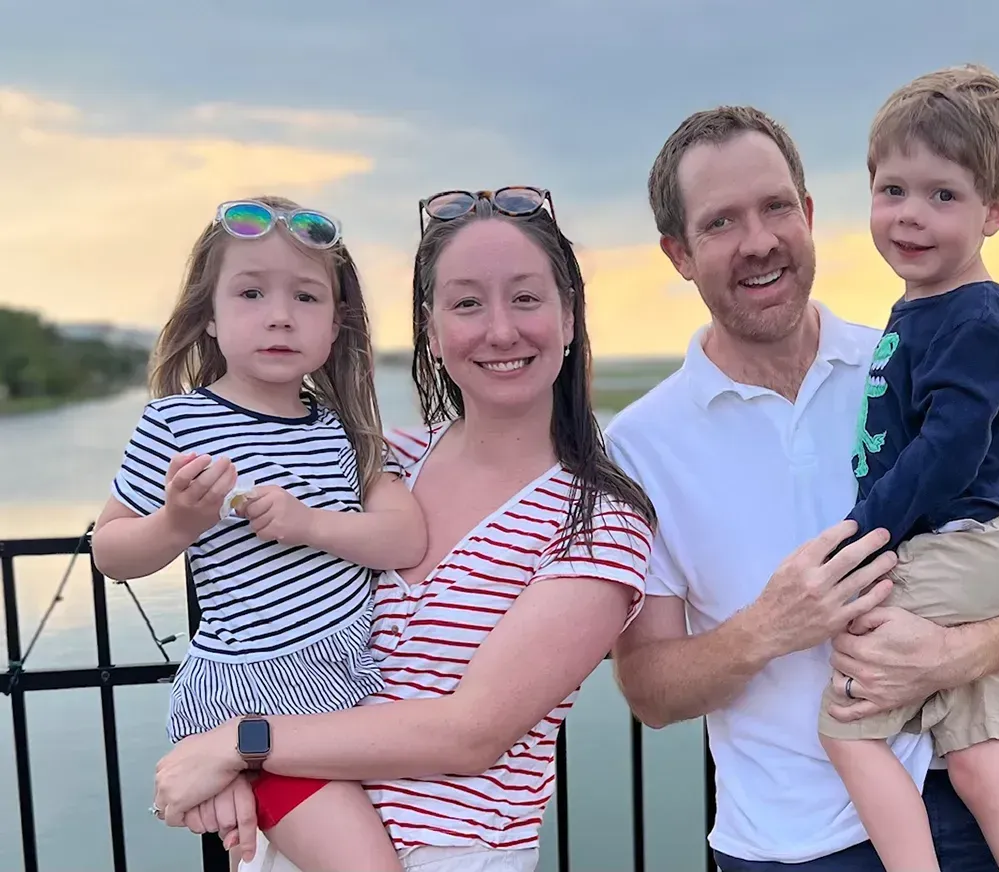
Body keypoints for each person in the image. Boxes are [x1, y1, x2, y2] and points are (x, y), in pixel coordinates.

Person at [605, 105, 999, 870]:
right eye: (721, 223)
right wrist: (769, 626)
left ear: (808, 214)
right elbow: (649, 688)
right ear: (677, 253)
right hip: (793, 842)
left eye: (776, 208)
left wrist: (952, 655)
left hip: (982, 793)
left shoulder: (908, 353)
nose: (760, 241)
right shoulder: (640, 445)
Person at [150, 185, 657, 872]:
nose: (500, 330)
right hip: (292, 832)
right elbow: (252, 616)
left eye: (527, 298)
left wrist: (237, 745)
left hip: (454, 855)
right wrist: (240, 772)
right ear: (434, 328)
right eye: (468, 302)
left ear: (569, 318)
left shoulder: (599, 520)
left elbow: (468, 734)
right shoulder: (376, 461)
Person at [92, 196, 427, 871]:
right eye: (251, 292)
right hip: (254, 695)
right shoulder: (176, 423)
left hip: (350, 691)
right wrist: (177, 523)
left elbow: (405, 538)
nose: (279, 314)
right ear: (209, 317)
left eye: (305, 297)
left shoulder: (342, 431)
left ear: (336, 326)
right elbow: (111, 549)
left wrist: (310, 524)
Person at [814, 65, 999, 872]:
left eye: (943, 196)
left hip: (957, 547)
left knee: (845, 733)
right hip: (976, 549)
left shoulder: (977, 312)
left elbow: (951, 446)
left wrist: (863, 530)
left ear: (997, 209)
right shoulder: (928, 305)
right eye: (893, 191)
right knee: (985, 766)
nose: (911, 216)